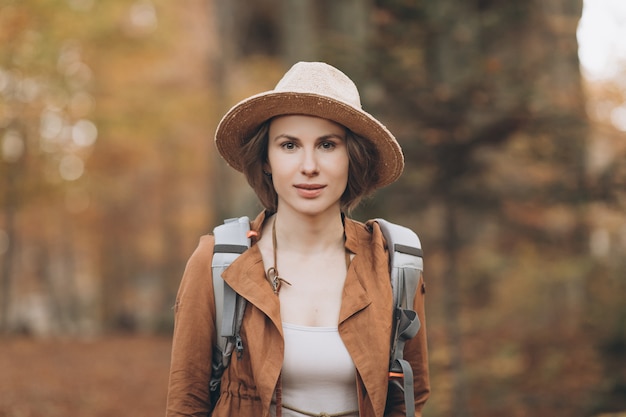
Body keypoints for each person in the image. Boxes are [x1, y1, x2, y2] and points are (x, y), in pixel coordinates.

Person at [165, 61, 430, 417]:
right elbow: (187, 404)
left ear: (352, 157)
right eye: (289, 145)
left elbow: (408, 399)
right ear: (266, 160)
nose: (308, 165)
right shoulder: (217, 262)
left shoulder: (394, 263)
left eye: (327, 145)